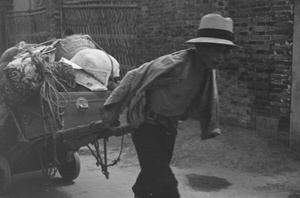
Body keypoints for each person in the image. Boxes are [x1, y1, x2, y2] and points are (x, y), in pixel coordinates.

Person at [103, 13, 239, 198]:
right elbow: (133, 76)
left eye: (224, 52)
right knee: (166, 183)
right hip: (146, 126)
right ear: (200, 47)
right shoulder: (174, 64)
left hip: (169, 129)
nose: (220, 57)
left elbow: (207, 103)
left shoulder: (208, 73)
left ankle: (140, 192)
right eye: (215, 50)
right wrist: (112, 110)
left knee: (154, 171)